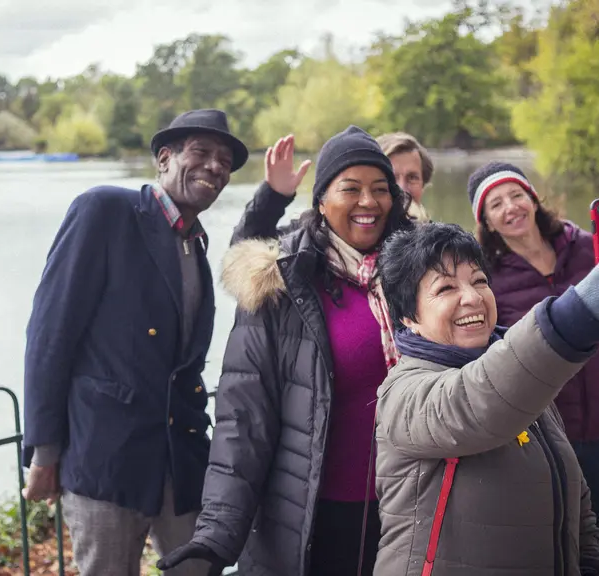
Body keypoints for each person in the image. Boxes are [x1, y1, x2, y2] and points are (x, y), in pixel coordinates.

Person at [157, 126, 413, 576]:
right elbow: (243, 423)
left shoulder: (421, 275)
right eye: (349, 189)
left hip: (411, 510)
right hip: (311, 518)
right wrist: (216, 535)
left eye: (380, 189)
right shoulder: (282, 284)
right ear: (320, 201)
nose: (368, 202)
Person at [20, 109, 249, 576]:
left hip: (179, 461)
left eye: (224, 160)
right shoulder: (105, 211)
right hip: (107, 462)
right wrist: (44, 452)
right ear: (164, 158)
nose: (214, 167)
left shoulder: (198, 247)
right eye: (200, 153)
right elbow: (49, 334)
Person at [373, 222, 599, 575]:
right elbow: (474, 401)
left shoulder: (523, 381)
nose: (473, 297)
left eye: (479, 280)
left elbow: (575, 500)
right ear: (408, 318)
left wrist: (587, 563)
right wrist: (573, 320)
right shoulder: (403, 393)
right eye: (446, 287)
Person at [468, 162, 599, 575]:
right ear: (487, 221)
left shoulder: (587, 246)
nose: (510, 207)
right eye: (496, 204)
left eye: (516, 195)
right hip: (543, 425)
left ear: (532, 198)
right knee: (558, 540)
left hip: (598, 422)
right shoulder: (487, 277)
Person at [230, 131, 433, 244]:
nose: (402, 188)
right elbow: (245, 250)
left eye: (413, 178)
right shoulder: (307, 241)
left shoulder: (431, 245)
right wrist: (274, 196)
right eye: (392, 179)